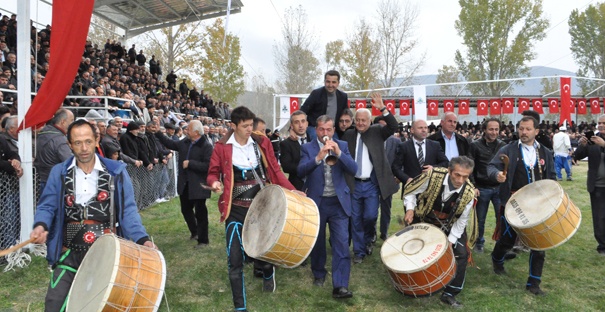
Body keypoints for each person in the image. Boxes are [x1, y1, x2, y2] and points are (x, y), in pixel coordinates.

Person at [29, 119, 156, 311]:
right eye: (78, 143)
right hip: (69, 252)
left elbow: (128, 211)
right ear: (69, 144)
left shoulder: (116, 172)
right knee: (54, 304)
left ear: (97, 140)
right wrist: (41, 225)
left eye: (88, 141)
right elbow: (47, 206)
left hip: (107, 253)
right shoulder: (60, 172)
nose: (84, 148)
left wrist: (143, 239)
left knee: (102, 304)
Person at [207, 106, 303, 311]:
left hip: (262, 208)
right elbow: (212, 173)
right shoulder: (221, 147)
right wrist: (214, 182)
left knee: (262, 252)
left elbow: (275, 172)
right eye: (245, 126)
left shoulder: (261, 142)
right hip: (235, 211)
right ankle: (240, 307)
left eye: (251, 124)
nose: (250, 129)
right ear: (233, 126)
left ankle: (268, 271)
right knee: (234, 261)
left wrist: (293, 191)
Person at [488, 116, 556, 296]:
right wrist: (497, 175)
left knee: (538, 244)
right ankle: (497, 259)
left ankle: (533, 283)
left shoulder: (546, 153)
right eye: (521, 129)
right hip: (513, 202)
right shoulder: (507, 149)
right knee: (508, 239)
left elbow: (552, 176)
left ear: (536, 131)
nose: (524, 132)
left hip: (538, 205)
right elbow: (491, 167)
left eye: (527, 129)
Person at [403, 156, 476, 308]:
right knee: (411, 246)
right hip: (424, 217)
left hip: (451, 224)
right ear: (449, 171)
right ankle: (412, 283)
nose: (460, 180)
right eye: (457, 175)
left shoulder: (469, 193)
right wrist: (410, 209)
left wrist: (449, 243)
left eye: (465, 176)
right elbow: (410, 190)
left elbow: (461, 221)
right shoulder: (432, 176)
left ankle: (450, 293)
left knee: (461, 253)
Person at [297, 115, 357, 299]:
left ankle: (340, 285)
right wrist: (318, 158)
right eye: (322, 129)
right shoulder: (307, 148)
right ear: (316, 130)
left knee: (341, 244)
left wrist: (338, 153)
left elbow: (354, 169)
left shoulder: (343, 146)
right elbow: (300, 171)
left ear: (333, 130)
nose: (325, 133)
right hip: (318, 202)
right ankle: (318, 273)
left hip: (339, 203)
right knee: (318, 242)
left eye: (329, 129)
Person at [342, 93, 398, 263]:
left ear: (370, 121)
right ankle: (359, 251)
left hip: (372, 185)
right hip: (354, 184)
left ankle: (368, 238)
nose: (360, 123)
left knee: (370, 217)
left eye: (363, 120)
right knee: (356, 219)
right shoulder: (348, 135)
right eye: (357, 120)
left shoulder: (377, 132)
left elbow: (393, 126)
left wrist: (383, 108)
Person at [154, 120, 213, 247]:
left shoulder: (206, 146)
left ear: (196, 132)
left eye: (189, 129)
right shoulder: (184, 142)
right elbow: (170, 143)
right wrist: (158, 133)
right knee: (186, 209)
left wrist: (190, 163)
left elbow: (208, 166)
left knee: (200, 212)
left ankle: (203, 240)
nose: (186, 131)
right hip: (185, 183)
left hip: (199, 185)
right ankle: (195, 231)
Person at [469, 118, 506, 252]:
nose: (494, 132)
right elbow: (470, 167)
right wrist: (473, 186)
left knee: (502, 218)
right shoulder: (474, 145)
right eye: (491, 129)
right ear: (484, 130)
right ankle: (479, 242)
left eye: (496, 129)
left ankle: (501, 244)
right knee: (480, 219)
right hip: (482, 188)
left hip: (499, 188)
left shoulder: (503, 145)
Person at [573, 114, 605, 255]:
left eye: (604, 122)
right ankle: (602, 245)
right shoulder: (593, 139)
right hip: (596, 185)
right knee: (599, 217)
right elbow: (578, 155)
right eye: (599, 122)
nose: (601, 125)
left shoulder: (600, 141)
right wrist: (582, 145)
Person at [392, 119, 449, 188]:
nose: (424, 130)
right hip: (410, 189)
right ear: (412, 130)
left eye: (425, 128)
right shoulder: (404, 146)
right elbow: (395, 167)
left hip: (431, 188)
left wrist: (434, 168)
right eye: (420, 128)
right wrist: (407, 179)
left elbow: (446, 162)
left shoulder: (435, 145)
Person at [300, 70, 348, 141]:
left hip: (332, 129)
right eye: (328, 82)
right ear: (324, 81)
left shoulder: (343, 97)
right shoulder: (316, 94)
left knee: (338, 145)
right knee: (316, 142)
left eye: (333, 82)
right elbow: (302, 111)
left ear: (338, 83)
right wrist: (292, 129)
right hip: (315, 128)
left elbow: (346, 114)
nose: (330, 85)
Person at [34, 108, 74, 191]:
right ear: (63, 122)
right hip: (57, 182)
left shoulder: (42, 134)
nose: (73, 124)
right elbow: (70, 161)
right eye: (71, 121)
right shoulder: (60, 140)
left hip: (43, 179)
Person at [280, 110, 309, 190]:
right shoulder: (286, 144)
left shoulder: (314, 140)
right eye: (297, 122)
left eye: (303, 121)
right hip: (297, 187)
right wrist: (307, 167)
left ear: (307, 124)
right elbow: (286, 167)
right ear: (292, 126)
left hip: (315, 187)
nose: (300, 125)